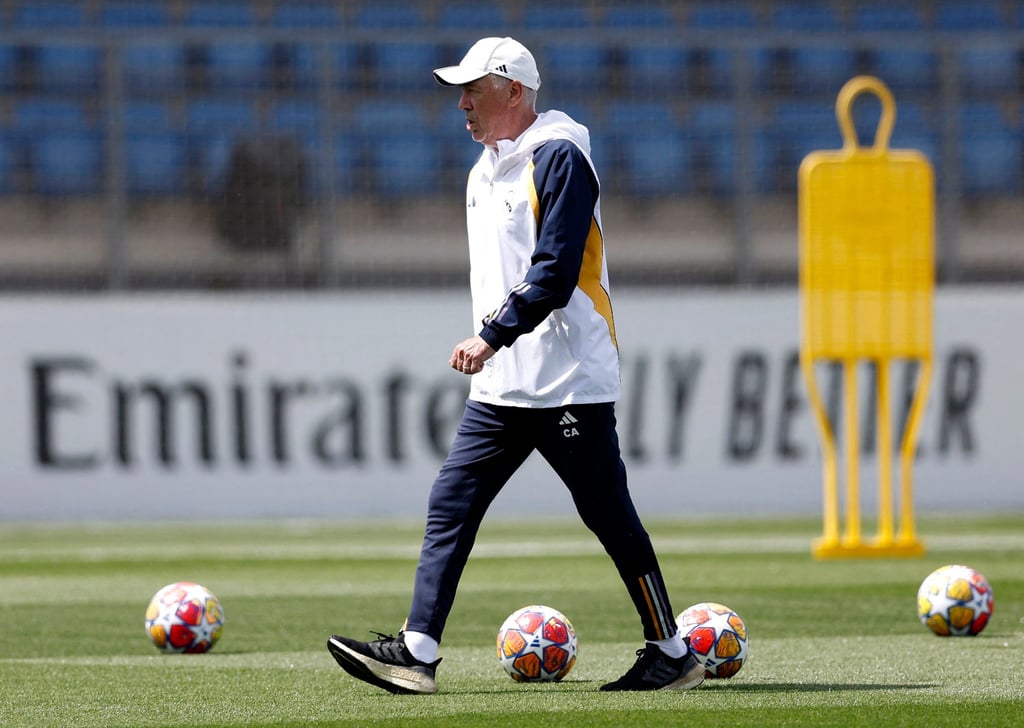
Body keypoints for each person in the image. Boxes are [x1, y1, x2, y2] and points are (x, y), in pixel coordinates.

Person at [327, 36, 703, 694]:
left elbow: (555, 275)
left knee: (607, 513)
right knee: (452, 501)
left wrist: (491, 335)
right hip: (503, 388)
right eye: (460, 92)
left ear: (516, 93)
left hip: (566, 384)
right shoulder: (485, 168)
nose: (463, 103)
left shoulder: (561, 157)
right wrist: (497, 350)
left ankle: (671, 650)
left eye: (475, 90)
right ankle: (417, 651)